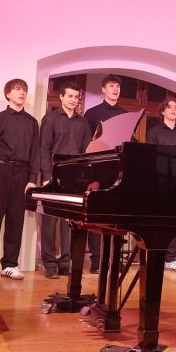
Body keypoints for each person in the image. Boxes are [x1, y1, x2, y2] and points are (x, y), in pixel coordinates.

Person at [0, 79, 40, 281]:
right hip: (0, 171)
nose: (21, 92)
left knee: (16, 220)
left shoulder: (32, 122)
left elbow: (35, 153)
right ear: (8, 94)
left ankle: (10, 264)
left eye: (24, 90)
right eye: (17, 89)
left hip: (22, 175)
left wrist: (32, 179)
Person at [39, 82, 91, 279]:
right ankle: (50, 264)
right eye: (69, 96)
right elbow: (43, 148)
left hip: (75, 177)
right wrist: (46, 175)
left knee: (69, 221)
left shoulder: (83, 122)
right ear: (61, 97)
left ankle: (65, 263)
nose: (73, 100)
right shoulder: (50, 119)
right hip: (53, 173)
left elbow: (86, 150)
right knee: (50, 221)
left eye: (76, 97)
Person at [83, 75, 127, 274]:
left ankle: (114, 260)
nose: (115, 89)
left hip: (116, 170)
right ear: (103, 89)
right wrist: (92, 176)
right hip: (97, 168)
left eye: (117, 86)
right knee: (95, 215)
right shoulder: (92, 113)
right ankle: (96, 260)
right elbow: (88, 147)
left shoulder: (125, 114)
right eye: (111, 86)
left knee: (115, 216)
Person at [147, 98, 176, 272]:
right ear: (162, 111)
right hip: (161, 180)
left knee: (174, 221)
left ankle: (171, 258)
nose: (173, 110)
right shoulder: (154, 132)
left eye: (175, 107)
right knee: (160, 221)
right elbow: (150, 157)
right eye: (169, 107)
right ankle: (158, 255)